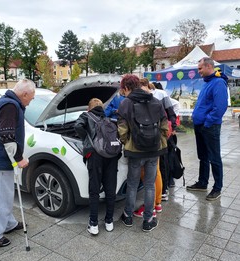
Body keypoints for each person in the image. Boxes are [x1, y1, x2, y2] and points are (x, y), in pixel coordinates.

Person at [0, 79, 35, 247]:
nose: (31, 101)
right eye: (31, 98)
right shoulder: (10, 106)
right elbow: (7, 136)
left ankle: (7, 223)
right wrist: (19, 159)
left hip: (1, 159)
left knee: (4, 195)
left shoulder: (10, 103)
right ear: (25, 94)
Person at [117, 74, 168, 232]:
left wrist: (127, 143)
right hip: (154, 150)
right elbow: (164, 125)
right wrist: (160, 141)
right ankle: (148, 220)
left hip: (135, 151)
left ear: (126, 88)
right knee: (149, 185)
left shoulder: (126, 103)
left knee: (132, 184)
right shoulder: (155, 101)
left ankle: (128, 216)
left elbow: (122, 129)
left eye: (122, 90)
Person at [74, 98, 119, 235]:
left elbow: (77, 127)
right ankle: (109, 221)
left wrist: (87, 140)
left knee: (94, 189)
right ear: (102, 108)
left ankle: (93, 223)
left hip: (95, 156)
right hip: (111, 156)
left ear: (89, 108)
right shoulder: (108, 119)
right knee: (110, 188)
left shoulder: (85, 116)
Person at [186, 57, 228, 200]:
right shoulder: (207, 82)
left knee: (214, 158)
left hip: (209, 127)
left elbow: (220, 107)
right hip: (200, 126)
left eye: (200, 68)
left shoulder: (218, 83)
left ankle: (217, 188)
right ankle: (202, 183)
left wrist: (207, 122)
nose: (199, 71)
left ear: (209, 66)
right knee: (203, 156)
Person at [150, 81, 177, 201]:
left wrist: (172, 127)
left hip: (163, 133)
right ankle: (163, 188)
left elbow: (171, 112)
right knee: (159, 163)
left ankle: (164, 189)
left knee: (163, 162)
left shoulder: (161, 94)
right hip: (154, 134)